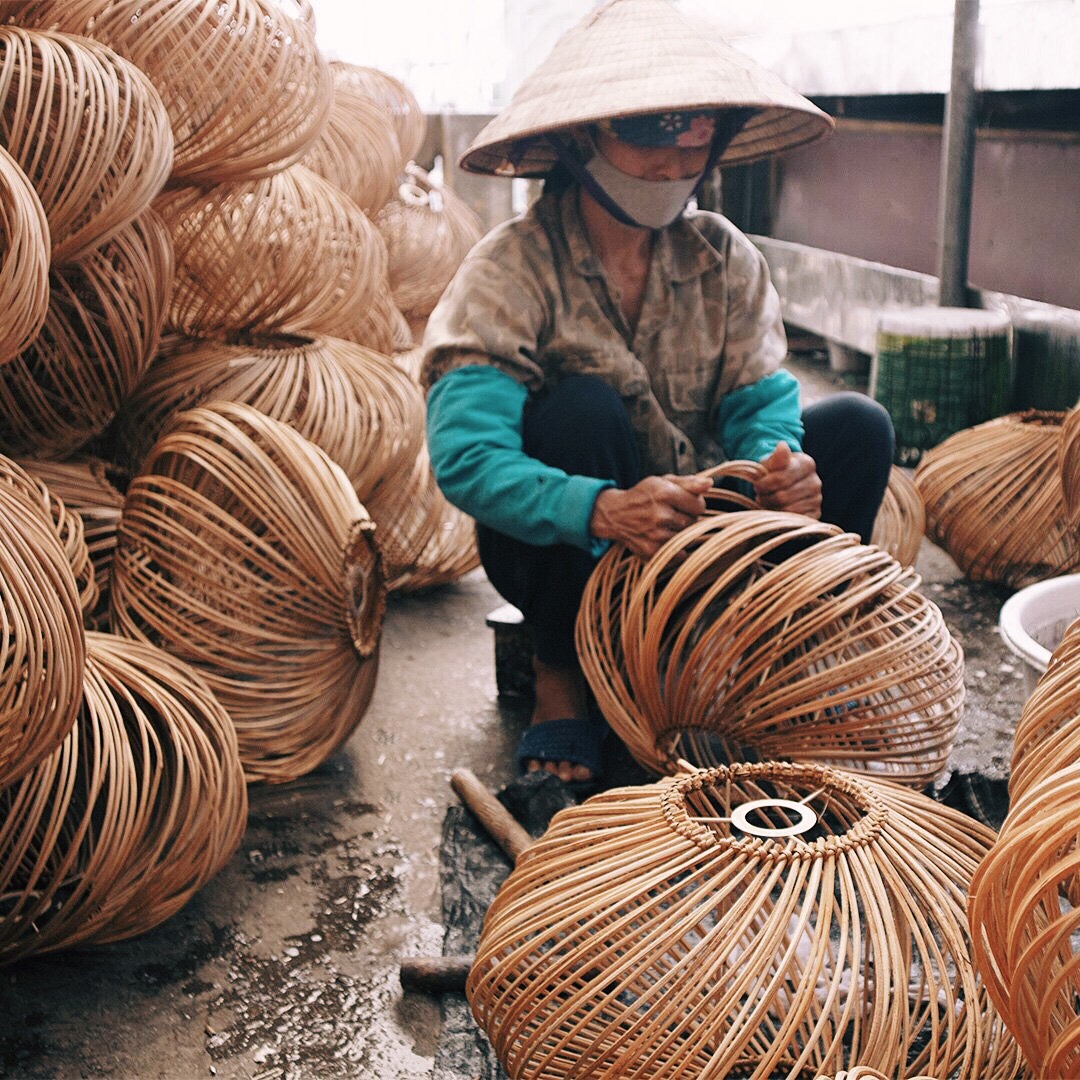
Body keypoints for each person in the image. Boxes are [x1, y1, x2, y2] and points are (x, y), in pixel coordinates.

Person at [421, 0, 895, 790]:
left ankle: (779, 653)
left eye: (696, 138)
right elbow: (468, 457)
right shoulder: (511, 268)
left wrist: (772, 471)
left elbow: (760, 395)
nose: (675, 164)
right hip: (576, 548)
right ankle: (561, 674)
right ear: (581, 140)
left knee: (857, 426)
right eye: (650, 136)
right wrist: (601, 507)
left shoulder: (724, 258)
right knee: (580, 411)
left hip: (702, 533)